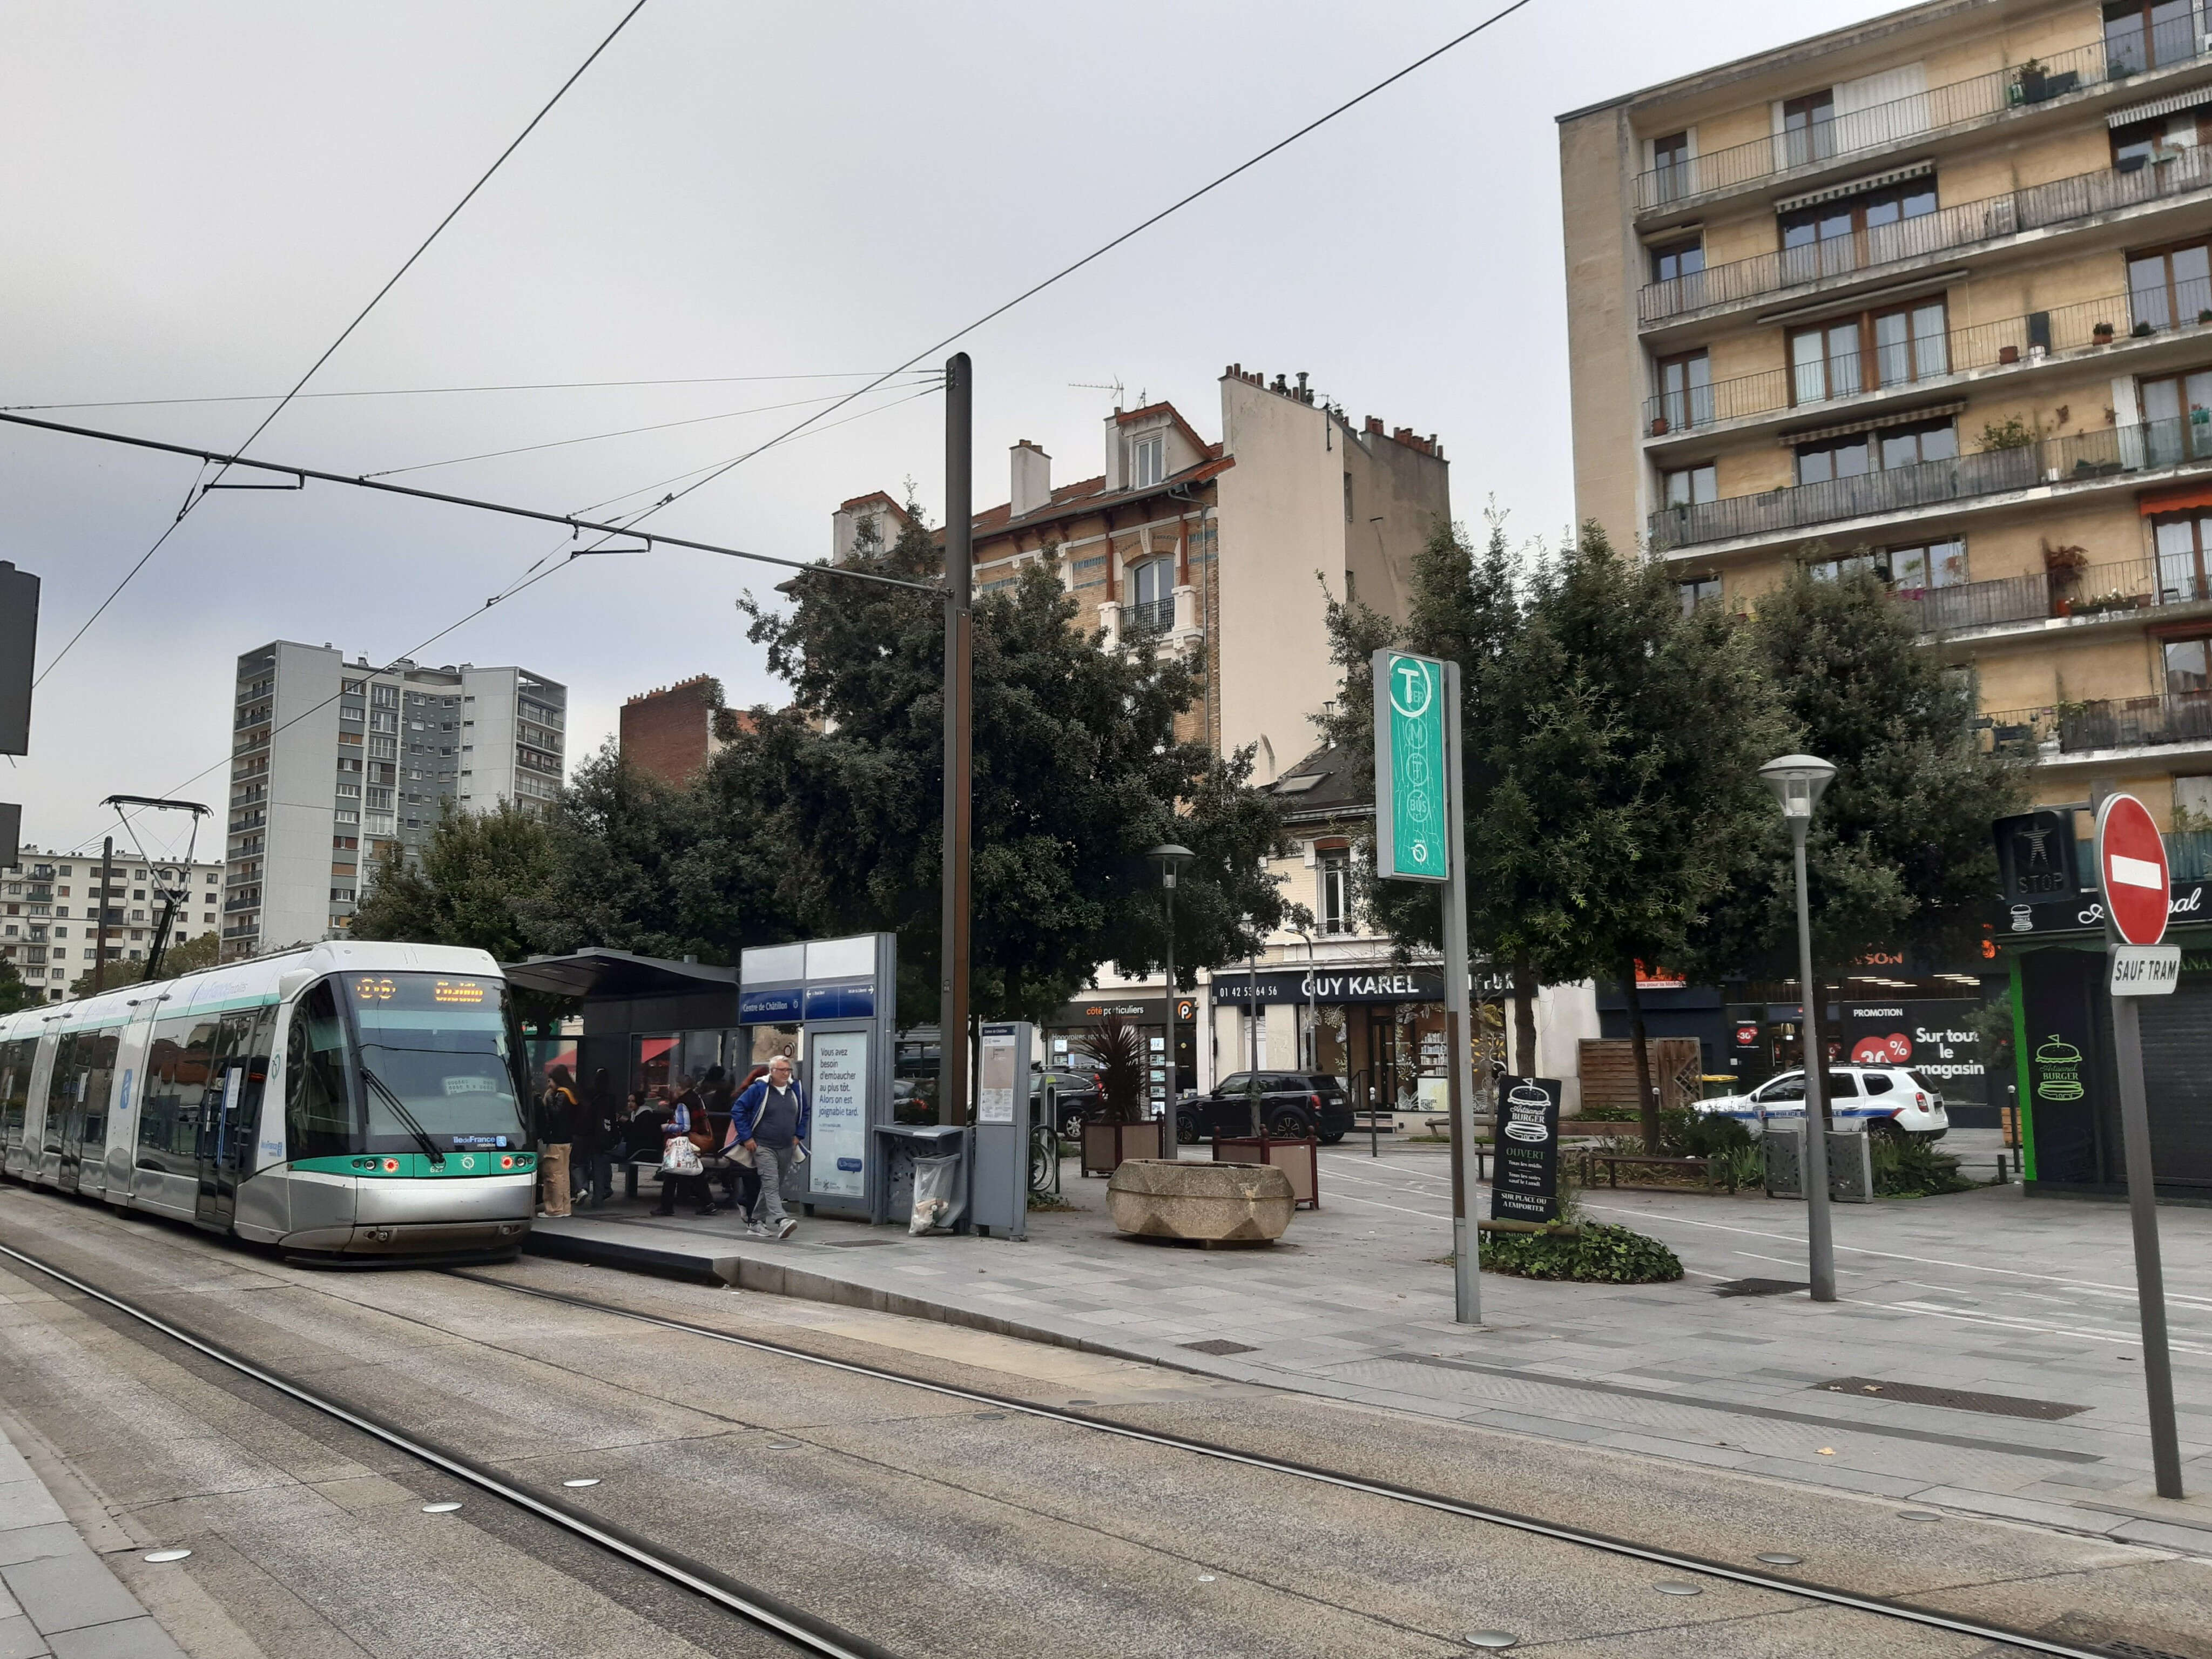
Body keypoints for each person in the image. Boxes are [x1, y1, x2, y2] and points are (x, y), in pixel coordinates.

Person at [730, 1053, 807, 1239]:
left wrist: (799, 1134)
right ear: (772, 1071)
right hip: (763, 1146)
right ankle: (782, 1220)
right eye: (782, 1070)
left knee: (771, 1186)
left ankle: (755, 1222)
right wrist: (747, 1137)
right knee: (771, 1184)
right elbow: (738, 1109)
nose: (786, 1073)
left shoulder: (795, 1089)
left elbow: (805, 1112)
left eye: (788, 1070)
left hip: (786, 1146)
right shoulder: (759, 1088)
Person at [652, 1076, 719, 1217]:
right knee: (694, 1172)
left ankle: (667, 1207)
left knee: (672, 1172)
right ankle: (708, 1203)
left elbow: (685, 1126)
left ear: (679, 1087)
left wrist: (667, 1127)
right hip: (693, 1141)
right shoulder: (697, 1098)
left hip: (682, 1143)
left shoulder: (682, 1104)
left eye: (675, 1086)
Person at [538, 1066, 578, 1218]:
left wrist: (548, 1098)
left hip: (556, 1141)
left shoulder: (561, 1095)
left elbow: (555, 1114)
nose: (549, 1085)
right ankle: (565, 1208)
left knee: (553, 1176)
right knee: (563, 1176)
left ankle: (554, 1209)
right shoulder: (572, 1093)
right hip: (567, 1141)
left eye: (550, 1081)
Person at [576, 1067, 618, 1208]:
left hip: (587, 1135)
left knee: (580, 1163)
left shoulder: (589, 1095)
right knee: (600, 1166)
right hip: (602, 1136)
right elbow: (612, 1120)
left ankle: (583, 1188)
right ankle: (598, 1197)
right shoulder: (610, 1098)